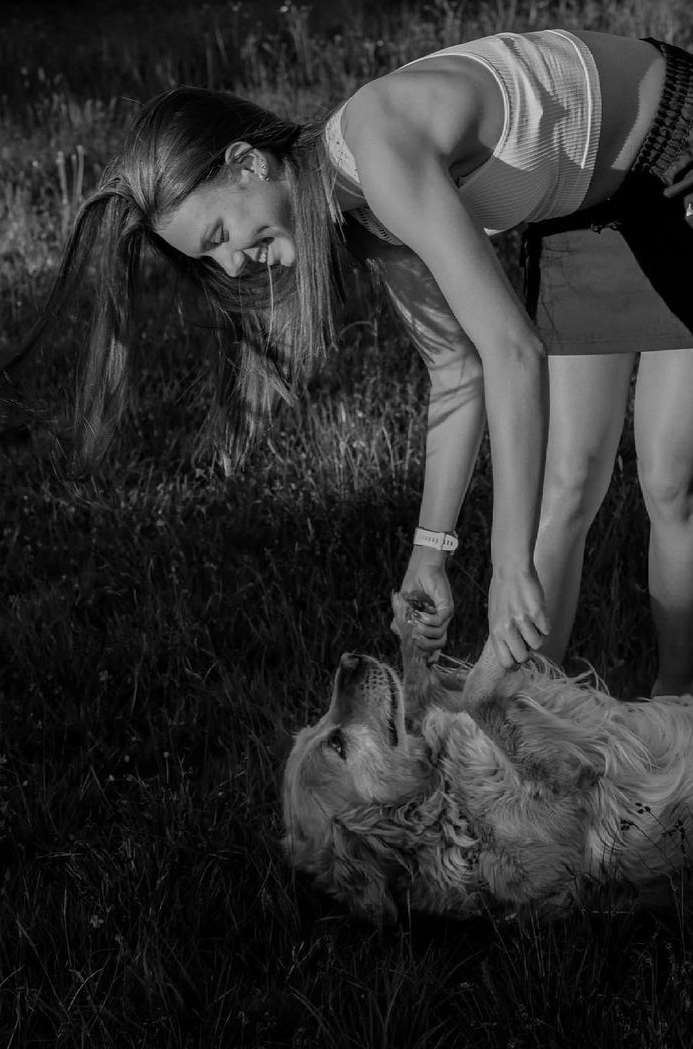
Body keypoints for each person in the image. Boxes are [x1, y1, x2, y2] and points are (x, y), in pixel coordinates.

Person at [18, 28, 693, 690]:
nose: (232, 264)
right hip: (584, 208)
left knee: (667, 478)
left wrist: (507, 563)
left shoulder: (380, 143)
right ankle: (520, 732)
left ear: (247, 163)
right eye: (210, 257)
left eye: (220, 232)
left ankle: (677, 714)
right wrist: (429, 554)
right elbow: (457, 373)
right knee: (567, 482)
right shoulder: (361, 214)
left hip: (673, 149)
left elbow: (512, 350)